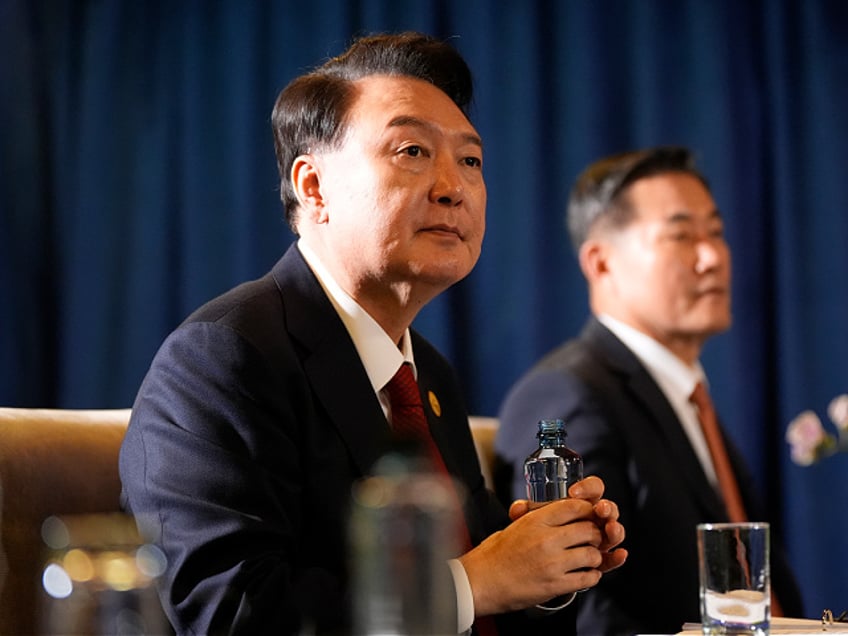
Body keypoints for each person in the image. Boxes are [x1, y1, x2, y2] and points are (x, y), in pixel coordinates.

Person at [119, 32, 627, 635]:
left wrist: (547, 565)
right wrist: (473, 583)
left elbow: (488, 587)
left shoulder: (425, 375)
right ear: (314, 187)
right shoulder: (221, 359)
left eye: (470, 160)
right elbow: (229, 611)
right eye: (411, 150)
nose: (453, 186)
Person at [495, 147, 804, 635]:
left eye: (717, 234)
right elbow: (581, 613)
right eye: (681, 236)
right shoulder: (569, 394)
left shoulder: (685, 395)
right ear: (601, 263)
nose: (712, 257)